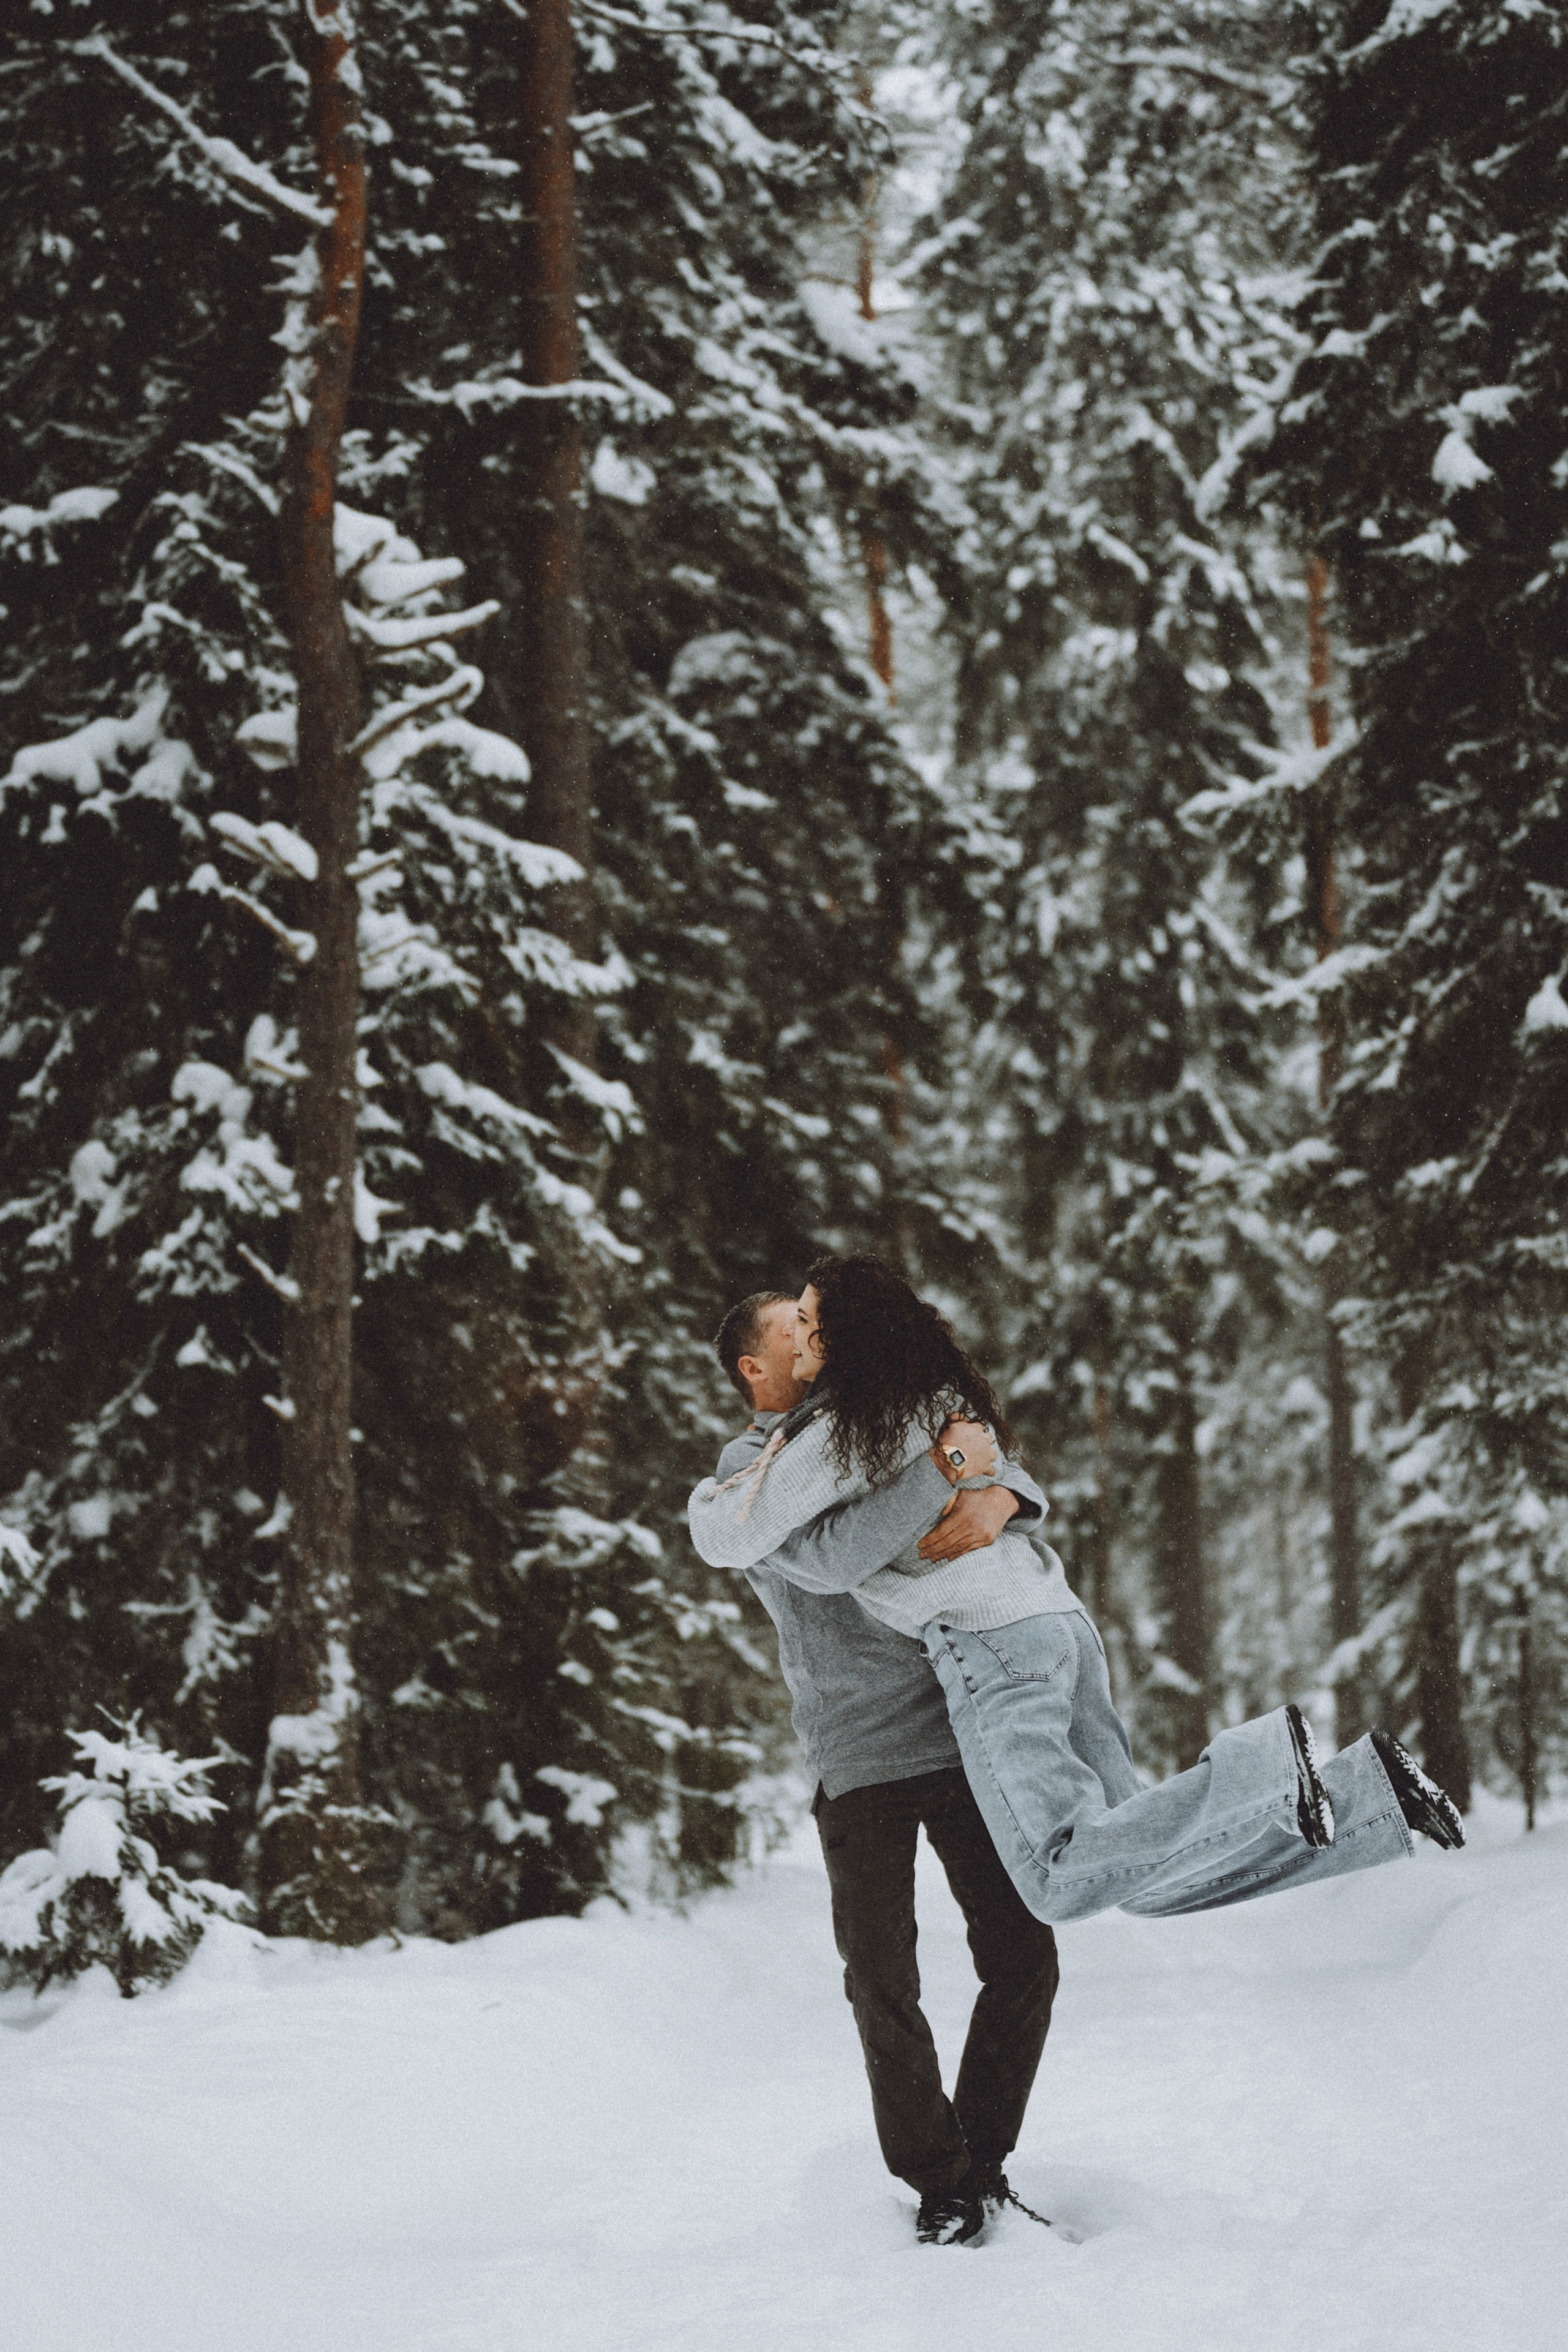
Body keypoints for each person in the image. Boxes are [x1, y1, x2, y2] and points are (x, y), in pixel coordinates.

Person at [690, 1256, 1464, 1953]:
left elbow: (766, 1541)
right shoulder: (932, 1399)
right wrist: (976, 1482)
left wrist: (700, 1504)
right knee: (1139, 1872)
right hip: (1055, 1618)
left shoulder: (838, 1430)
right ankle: (1368, 1801)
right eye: (793, 1329)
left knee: (1059, 1876)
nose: (801, 1343)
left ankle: (1260, 1765)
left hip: (988, 1643)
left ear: (847, 1340)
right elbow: (993, 1470)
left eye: (811, 1326)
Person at [704, 1290, 1061, 2246]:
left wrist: (1004, 1495)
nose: (818, 1338)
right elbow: (835, 1557)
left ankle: (979, 2167)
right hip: (856, 1750)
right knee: (881, 1979)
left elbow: (995, 1465)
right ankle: (940, 2182)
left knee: (1024, 1953)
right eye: (797, 1331)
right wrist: (947, 1469)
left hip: (955, 1726)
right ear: (755, 1367)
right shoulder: (752, 1473)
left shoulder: (877, 1421)